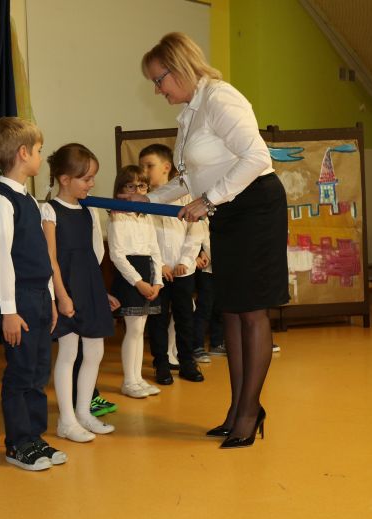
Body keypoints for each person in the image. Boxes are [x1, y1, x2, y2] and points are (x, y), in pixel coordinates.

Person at [130, 32, 289, 448]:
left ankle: (249, 412)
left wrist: (209, 199)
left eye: (159, 79)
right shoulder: (190, 113)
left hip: (255, 207)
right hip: (225, 211)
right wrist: (149, 199)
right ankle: (238, 409)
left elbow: (257, 157)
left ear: (179, 68)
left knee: (251, 312)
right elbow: (189, 180)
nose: (157, 89)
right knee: (231, 311)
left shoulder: (220, 98)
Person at [0, 117, 65, 470]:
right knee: (20, 373)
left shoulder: (29, 200)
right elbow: (0, 260)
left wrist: (51, 299)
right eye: (39, 150)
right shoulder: (1, 203)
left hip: (38, 298)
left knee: (38, 372)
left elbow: (41, 257)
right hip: (18, 300)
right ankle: (18, 443)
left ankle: (35, 437)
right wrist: (9, 311)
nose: (41, 157)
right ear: (23, 153)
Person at [42, 143, 116, 443]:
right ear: (64, 179)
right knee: (69, 353)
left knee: (95, 351)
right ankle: (67, 419)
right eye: (86, 178)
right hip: (67, 289)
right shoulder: (49, 210)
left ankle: (84, 412)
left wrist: (100, 291)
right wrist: (61, 295)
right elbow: (51, 258)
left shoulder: (89, 211)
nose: (91, 184)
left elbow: (93, 255)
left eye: (92, 177)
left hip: (89, 287)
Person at [138, 143, 205, 386]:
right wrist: (160, 266)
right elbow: (143, 239)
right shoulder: (142, 202)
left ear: (167, 167)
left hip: (183, 271)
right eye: (142, 166)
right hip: (158, 273)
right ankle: (161, 364)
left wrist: (185, 261)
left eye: (150, 166)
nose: (145, 171)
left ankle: (187, 362)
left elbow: (195, 232)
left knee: (184, 317)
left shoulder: (186, 196)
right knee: (158, 320)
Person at [107, 165, 164, 398]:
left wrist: (157, 281)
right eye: (130, 186)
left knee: (140, 329)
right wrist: (138, 282)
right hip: (130, 276)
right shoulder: (117, 215)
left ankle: (138, 378)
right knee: (133, 329)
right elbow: (117, 254)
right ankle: (129, 381)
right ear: (120, 190)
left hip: (147, 270)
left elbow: (155, 250)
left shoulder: (147, 216)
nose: (136, 191)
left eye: (141, 186)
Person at [191, 219, 224, 363]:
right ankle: (197, 346)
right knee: (204, 308)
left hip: (223, 271)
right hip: (206, 270)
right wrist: (201, 252)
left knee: (220, 308)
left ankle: (217, 343)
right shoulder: (201, 219)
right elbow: (197, 241)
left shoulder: (223, 217)